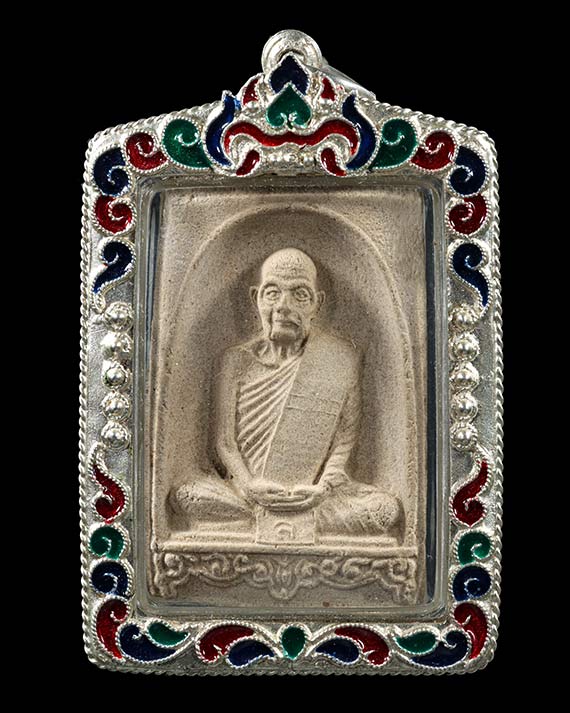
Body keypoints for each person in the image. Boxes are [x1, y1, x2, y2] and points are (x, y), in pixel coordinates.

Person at [171, 248, 403, 542]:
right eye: (272, 293)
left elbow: (344, 441)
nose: (283, 306)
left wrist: (322, 489)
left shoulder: (340, 359)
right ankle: (279, 518)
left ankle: (278, 519)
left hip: (316, 497)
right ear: (255, 297)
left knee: (383, 510)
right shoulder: (234, 362)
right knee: (188, 496)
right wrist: (250, 487)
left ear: (317, 304)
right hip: (245, 495)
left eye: (299, 295)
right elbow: (225, 444)